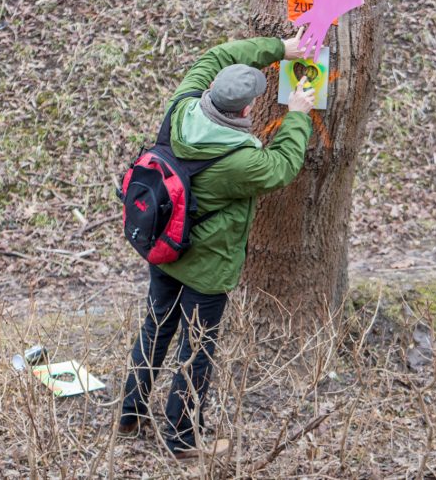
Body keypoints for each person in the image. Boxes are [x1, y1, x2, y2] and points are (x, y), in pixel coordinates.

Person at [118, 29, 315, 460]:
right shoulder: (241, 161)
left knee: (156, 328)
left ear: (209, 89)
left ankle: (130, 413)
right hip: (207, 269)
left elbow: (218, 53)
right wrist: (299, 113)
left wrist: (281, 49)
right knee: (198, 348)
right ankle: (183, 439)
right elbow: (282, 166)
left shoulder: (181, 106)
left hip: (163, 248)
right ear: (247, 109)